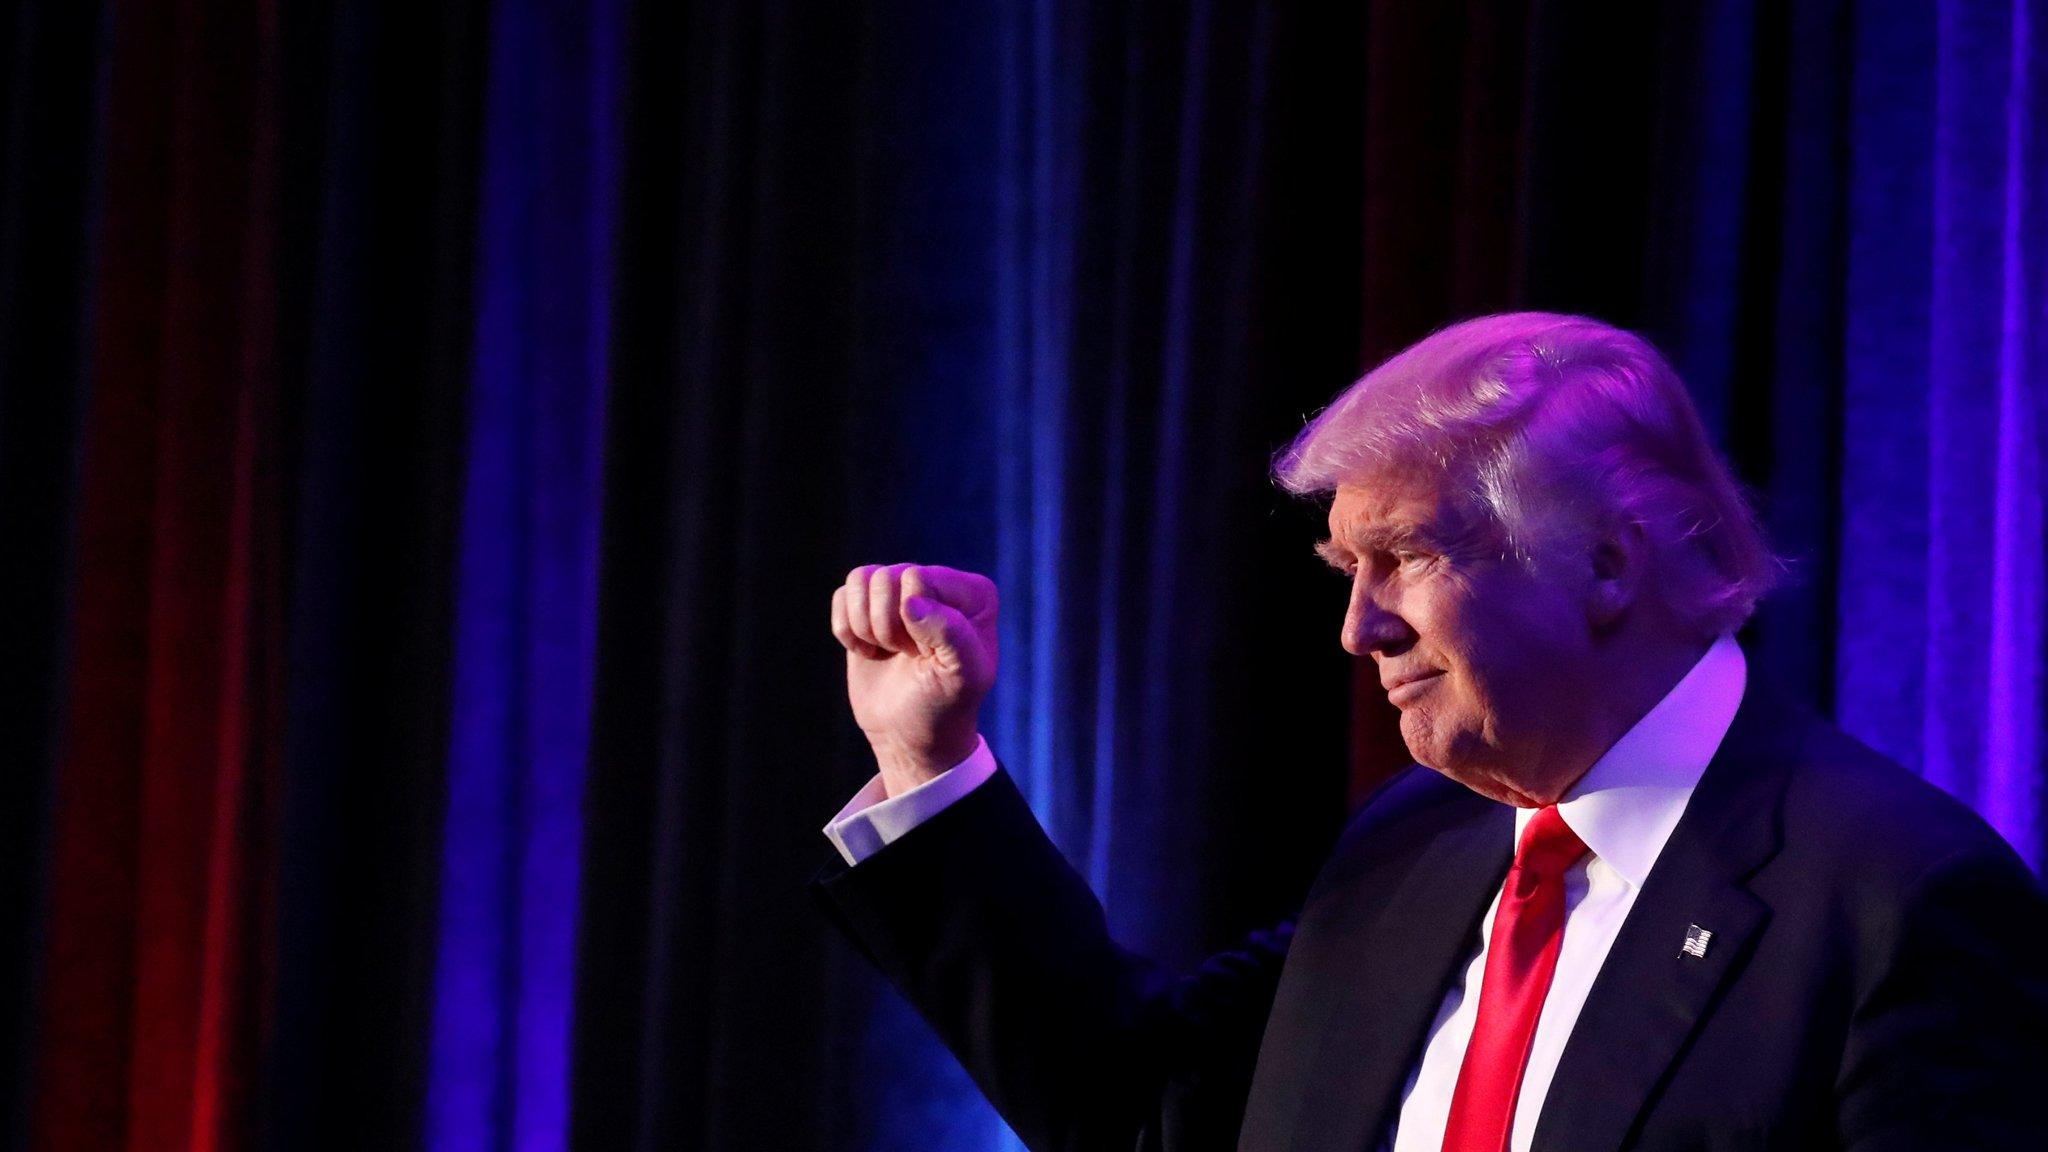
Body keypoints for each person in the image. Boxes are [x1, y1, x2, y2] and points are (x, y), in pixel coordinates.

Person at [809, 313, 2048, 1151]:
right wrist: (930, 768)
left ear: (1605, 563)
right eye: (1343, 568)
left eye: (1401, 558)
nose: (1356, 631)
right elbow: (1145, 1113)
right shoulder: (1413, 847)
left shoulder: (1897, 902)